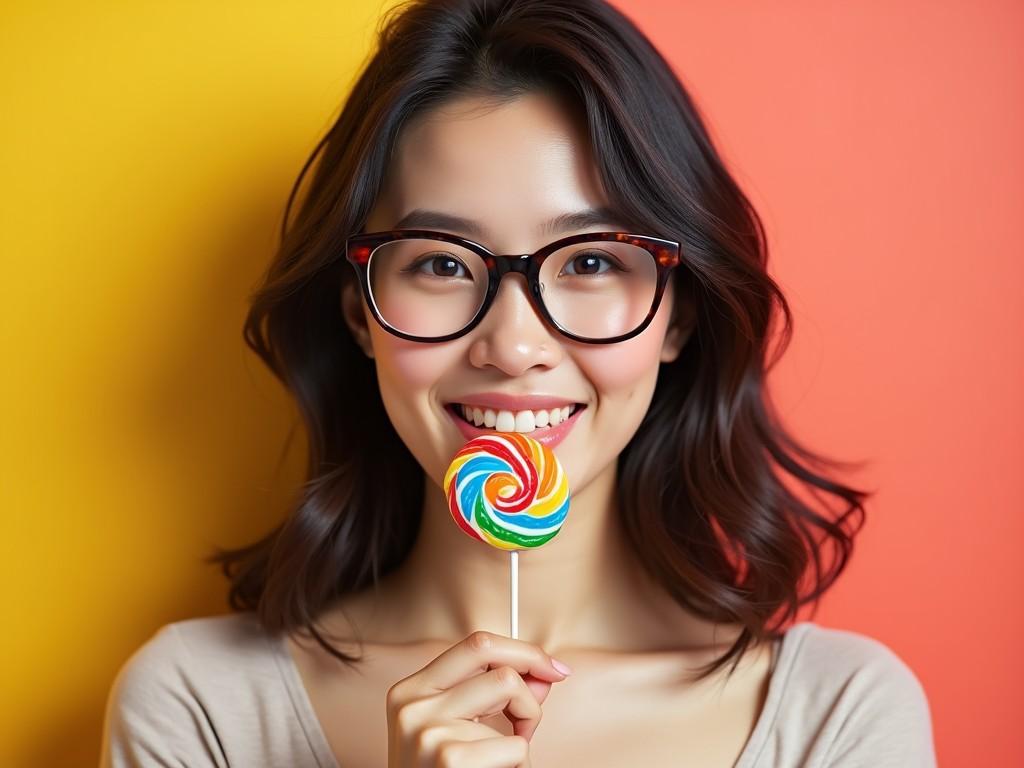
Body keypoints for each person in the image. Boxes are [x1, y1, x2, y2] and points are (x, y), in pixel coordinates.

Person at [99, 1, 938, 766]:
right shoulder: (202, 705)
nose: (513, 344)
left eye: (592, 261)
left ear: (677, 316)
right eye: (439, 262)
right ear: (359, 310)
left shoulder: (837, 714)